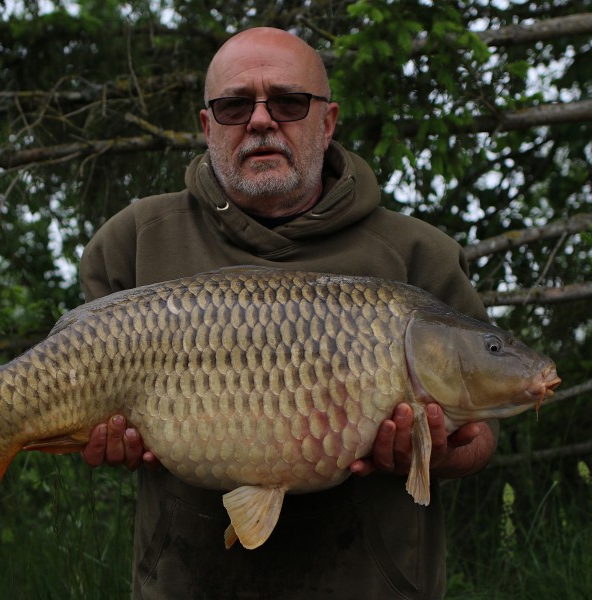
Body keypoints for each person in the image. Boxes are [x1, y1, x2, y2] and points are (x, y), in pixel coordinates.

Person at [78, 27, 498, 600]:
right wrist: (100, 432)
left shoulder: (417, 254)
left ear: (326, 122)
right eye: (233, 106)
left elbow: (481, 436)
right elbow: (92, 402)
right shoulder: (135, 241)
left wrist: (438, 450)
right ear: (208, 127)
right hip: (185, 584)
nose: (260, 121)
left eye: (288, 102)